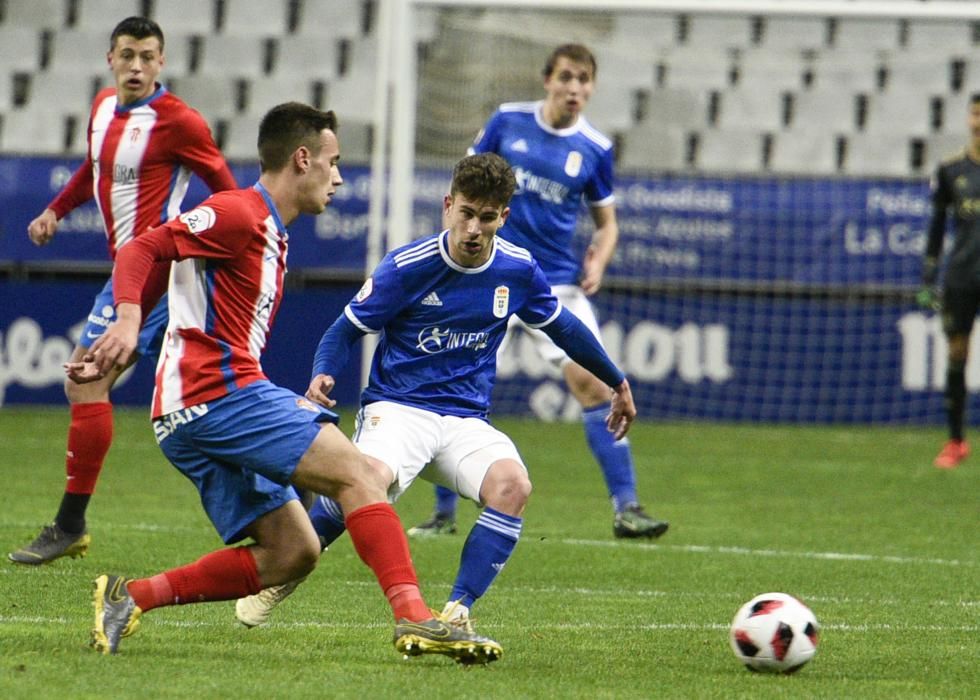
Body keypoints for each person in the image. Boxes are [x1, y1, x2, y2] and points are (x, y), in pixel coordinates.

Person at [64, 102, 501, 664]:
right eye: (333, 161)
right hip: (213, 396)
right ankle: (416, 617)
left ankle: (129, 597)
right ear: (303, 159)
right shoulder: (240, 212)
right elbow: (145, 247)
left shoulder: (269, 229)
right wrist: (126, 319)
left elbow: (199, 303)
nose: (339, 177)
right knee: (359, 472)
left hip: (197, 409)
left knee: (292, 551)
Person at [233, 152, 637, 635]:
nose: (474, 228)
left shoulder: (518, 270)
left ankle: (456, 611)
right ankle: (287, 570)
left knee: (513, 486)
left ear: (503, 217)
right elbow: (342, 330)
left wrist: (616, 380)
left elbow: (565, 328)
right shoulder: (407, 266)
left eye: (487, 218)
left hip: (465, 420)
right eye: (466, 213)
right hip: (398, 409)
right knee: (367, 480)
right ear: (448, 206)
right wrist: (322, 374)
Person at [410, 43, 667, 540]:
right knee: (452, 383)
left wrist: (599, 256)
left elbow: (607, 223)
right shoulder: (507, 122)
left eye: (584, 80)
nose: (575, 88)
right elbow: (466, 185)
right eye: (567, 77)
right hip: (489, 276)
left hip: (553, 283)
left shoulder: (595, 148)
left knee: (595, 384)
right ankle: (443, 515)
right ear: (547, 79)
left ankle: (627, 507)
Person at [9, 16, 238, 565]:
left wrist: (236, 248)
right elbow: (94, 168)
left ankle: (69, 525)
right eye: (127, 55)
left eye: (148, 57)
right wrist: (54, 212)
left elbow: (228, 190)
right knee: (211, 394)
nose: (137, 66)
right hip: (129, 275)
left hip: (160, 272)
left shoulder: (180, 121)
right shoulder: (102, 109)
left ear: (162, 63)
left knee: (87, 381)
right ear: (111, 58)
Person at [917, 91, 980, 469]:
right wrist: (928, 274)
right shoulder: (951, 170)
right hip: (962, 276)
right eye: (975, 114)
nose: (978, 122)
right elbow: (938, 226)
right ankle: (956, 441)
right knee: (957, 352)